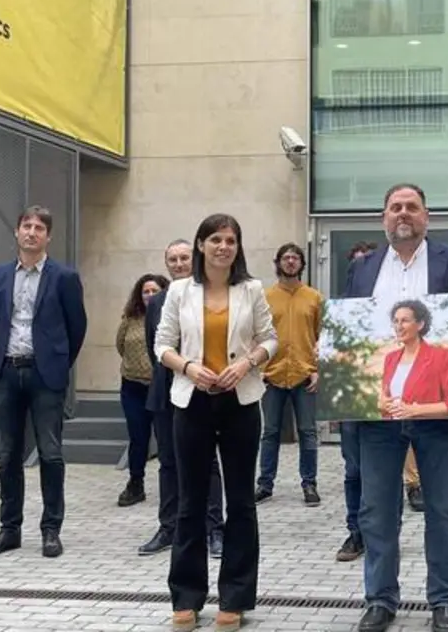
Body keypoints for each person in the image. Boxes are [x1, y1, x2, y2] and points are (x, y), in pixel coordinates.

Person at [343, 183, 448, 632]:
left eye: (412, 207)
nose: (403, 213)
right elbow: (352, 329)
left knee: (443, 509)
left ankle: (444, 599)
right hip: (378, 413)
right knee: (377, 510)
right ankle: (380, 599)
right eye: (395, 207)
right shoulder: (362, 269)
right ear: (383, 217)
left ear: (427, 216)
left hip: (435, 413)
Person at [153, 214, 278, 632]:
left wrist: (246, 363)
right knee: (191, 501)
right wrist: (188, 367)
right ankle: (186, 597)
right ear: (201, 245)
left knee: (241, 501)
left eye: (231, 240)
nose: (223, 246)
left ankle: (235, 597)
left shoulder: (252, 289)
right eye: (215, 239)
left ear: (238, 247)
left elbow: (271, 339)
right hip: (191, 403)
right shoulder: (179, 291)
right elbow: (162, 345)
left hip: (240, 401)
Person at [0, 205, 87, 560]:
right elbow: (0, 322)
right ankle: (9, 529)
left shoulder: (64, 277)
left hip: (45, 374)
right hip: (7, 372)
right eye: (26, 226)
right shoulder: (0, 276)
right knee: (7, 456)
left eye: (40, 228)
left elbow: (77, 327)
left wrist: (56, 363)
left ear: (48, 236)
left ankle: (51, 529)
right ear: (16, 232)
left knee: (51, 454)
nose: (32, 232)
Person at [139, 240, 226, 558]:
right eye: (172, 259)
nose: (178, 264)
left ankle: (214, 528)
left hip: (202, 392)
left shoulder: (210, 294)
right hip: (165, 393)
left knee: (208, 462)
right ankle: (169, 527)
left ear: (196, 259)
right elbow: (155, 348)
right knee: (168, 463)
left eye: (184, 258)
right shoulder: (157, 301)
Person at [256, 243, 324, 506]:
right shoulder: (265, 297)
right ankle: (265, 485)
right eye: (286, 258)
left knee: (308, 432)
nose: (291, 262)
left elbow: (324, 337)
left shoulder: (314, 298)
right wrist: (258, 370)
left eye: (295, 258)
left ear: (302, 264)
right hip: (272, 375)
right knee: (269, 432)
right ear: (278, 263)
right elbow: (256, 335)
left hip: (305, 374)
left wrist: (320, 371)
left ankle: (309, 484)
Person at [115, 273, 170, 507]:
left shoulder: (168, 316)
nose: (149, 295)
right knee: (138, 437)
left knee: (165, 438)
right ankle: (135, 483)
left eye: (154, 291)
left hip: (159, 387)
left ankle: (171, 486)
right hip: (132, 388)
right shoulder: (130, 318)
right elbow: (120, 345)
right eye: (145, 291)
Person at [380, 299, 448, 420]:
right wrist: (382, 405)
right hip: (394, 433)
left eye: (404, 321)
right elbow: (385, 400)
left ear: (420, 324)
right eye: (395, 321)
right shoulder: (390, 358)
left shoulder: (440, 356)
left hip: (428, 433)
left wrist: (416, 410)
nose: (398, 326)